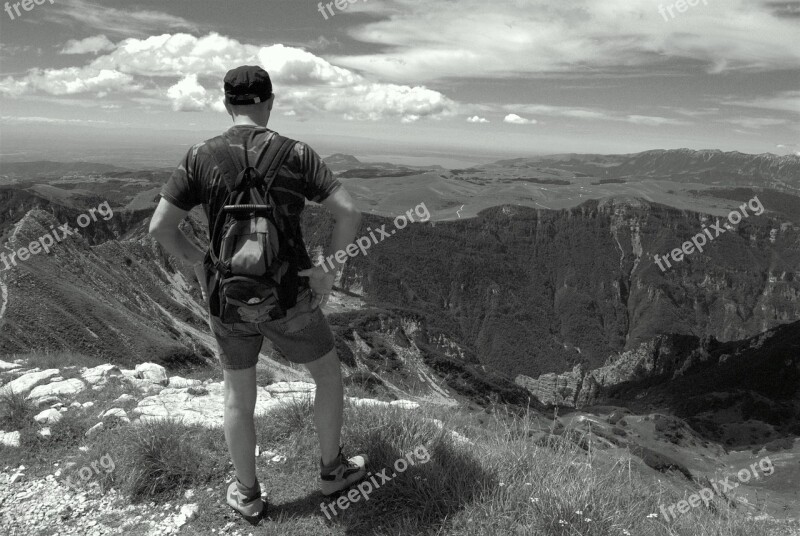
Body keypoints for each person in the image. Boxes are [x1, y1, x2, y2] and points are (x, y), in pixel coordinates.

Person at [149, 65, 366, 525]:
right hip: (290, 297)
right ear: (270, 101)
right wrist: (327, 271)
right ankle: (332, 472)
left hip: (228, 299)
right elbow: (348, 211)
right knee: (327, 377)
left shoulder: (199, 157)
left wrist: (201, 265)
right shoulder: (296, 153)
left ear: (226, 103)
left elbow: (160, 228)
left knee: (237, 395)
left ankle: (247, 494)